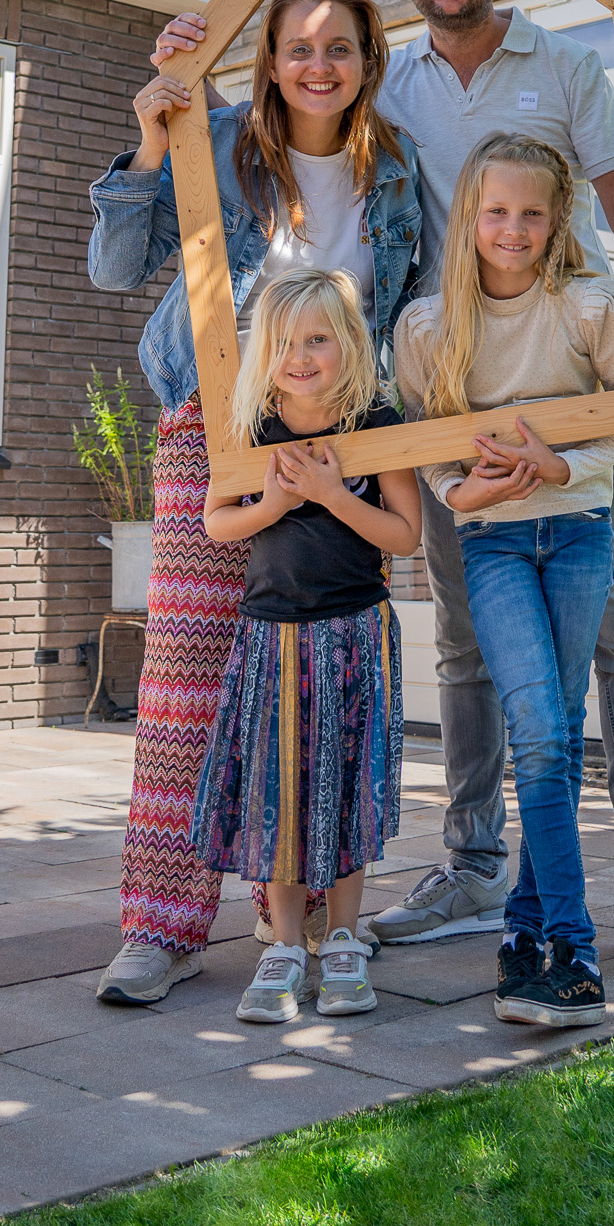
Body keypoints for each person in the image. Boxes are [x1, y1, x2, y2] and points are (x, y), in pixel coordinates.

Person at [151, 0, 614, 987]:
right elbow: (281, 129)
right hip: (446, 385)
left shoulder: (567, 66)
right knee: (461, 641)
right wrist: (188, 63)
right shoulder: (389, 82)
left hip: (571, 386)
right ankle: (473, 864)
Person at [87, 0, 419, 1006]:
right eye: (298, 46)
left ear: (370, 60)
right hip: (217, 426)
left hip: (347, 441)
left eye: (341, 48)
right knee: (189, 676)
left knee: (323, 679)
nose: (319, 66)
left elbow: (420, 310)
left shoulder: (395, 172)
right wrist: (154, 131)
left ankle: (315, 919)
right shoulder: (217, 139)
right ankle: (162, 924)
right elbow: (112, 265)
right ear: (269, 58)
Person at [395, 135, 614, 1025]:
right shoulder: (427, 327)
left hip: (579, 533)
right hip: (493, 546)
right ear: (468, 216)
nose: (512, 229)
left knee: (555, 730)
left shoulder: (590, 306)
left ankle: (520, 937)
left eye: (531, 214)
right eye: (495, 211)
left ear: (558, 221)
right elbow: (428, 450)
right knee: (539, 727)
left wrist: (560, 467)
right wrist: (458, 492)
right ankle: (572, 952)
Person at [191, 268, 421, 1023]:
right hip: (272, 634)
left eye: (317, 338)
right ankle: (285, 946)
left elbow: (405, 535)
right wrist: (276, 502)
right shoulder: (250, 423)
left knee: (349, 787)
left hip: (354, 630)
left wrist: (328, 496)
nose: (301, 354)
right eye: (286, 340)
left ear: (348, 342)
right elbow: (217, 522)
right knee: (280, 791)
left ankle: (346, 940)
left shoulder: (374, 422)